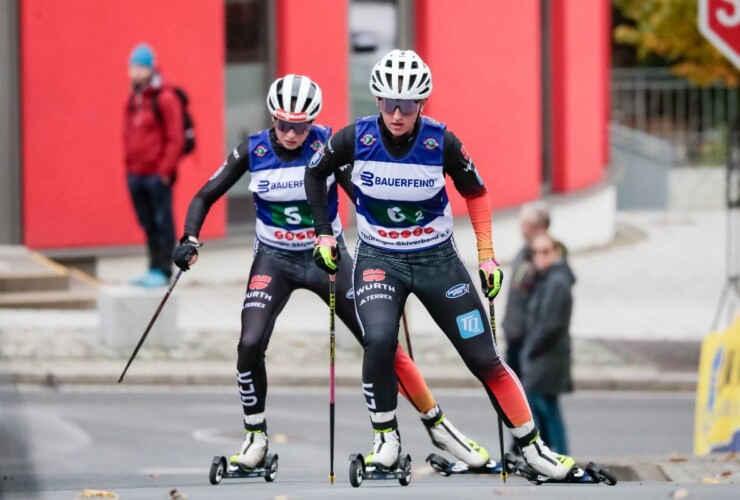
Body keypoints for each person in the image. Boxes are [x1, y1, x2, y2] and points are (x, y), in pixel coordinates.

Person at [172, 74, 491, 471]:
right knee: (249, 341)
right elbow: (206, 194)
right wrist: (189, 238)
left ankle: (437, 425)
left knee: (381, 341)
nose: (291, 133)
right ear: (273, 119)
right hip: (275, 259)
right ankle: (255, 437)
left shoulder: (327, 144)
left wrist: (394, 241)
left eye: (301, 126)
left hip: (327, 258)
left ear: (312, 122)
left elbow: (364, 193)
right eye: (283, 124)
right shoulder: (252, 149)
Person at [305, 49, 578, 480]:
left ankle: (534, 448)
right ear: (377, 101)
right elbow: (314, 174)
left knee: (484, 357)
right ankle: (386, 440)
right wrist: (324, 231)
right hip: (380, 258)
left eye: (408, 105)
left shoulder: (441, 142)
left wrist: (486, 257)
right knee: (378, 340)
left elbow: (478, 194)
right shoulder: (352, 138)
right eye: (390, 103)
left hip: (438, 260)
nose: (397, 114)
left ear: (422, 104)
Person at [124, 43, 183, 287]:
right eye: (132, 66)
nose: (135, 71)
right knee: (147, 223)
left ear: (149, 68)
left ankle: (163, 269)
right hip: (135, 173)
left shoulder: (165, 97)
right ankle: (152, 267)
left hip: (156, 175)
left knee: (162, 221)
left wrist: (165, 170)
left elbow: (175, 137)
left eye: (139, 66)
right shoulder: (134, 98)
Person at [520, 233, 574, 455]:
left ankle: (558, 454)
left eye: (545, 251)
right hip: (544, 354)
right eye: (536, 252)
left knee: (545, 408)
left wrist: (530, 349)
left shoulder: (556, 282)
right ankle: (554, 453)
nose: (540, 256)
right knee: (544, 406)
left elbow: (550, 324)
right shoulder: (546, 278)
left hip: (548, 356)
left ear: (556, 253)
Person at [502, 202, 551, 377]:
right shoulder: (523, 253)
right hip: (515, 336)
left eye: (527, 225)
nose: (522, 229)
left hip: (530, 342)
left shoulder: (544, 258)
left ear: (541, 227)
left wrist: (534, 340)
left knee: (532, 399)